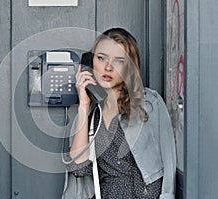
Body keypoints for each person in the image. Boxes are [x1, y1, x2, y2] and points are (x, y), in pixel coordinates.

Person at [64, 27, 176, 199]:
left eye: (118, 61)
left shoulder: (148, 103)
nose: (108, 67)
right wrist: (84, 104)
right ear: (90, 62)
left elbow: (169, 160)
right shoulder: (90, 115)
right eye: (101, 58)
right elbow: (79, 168)